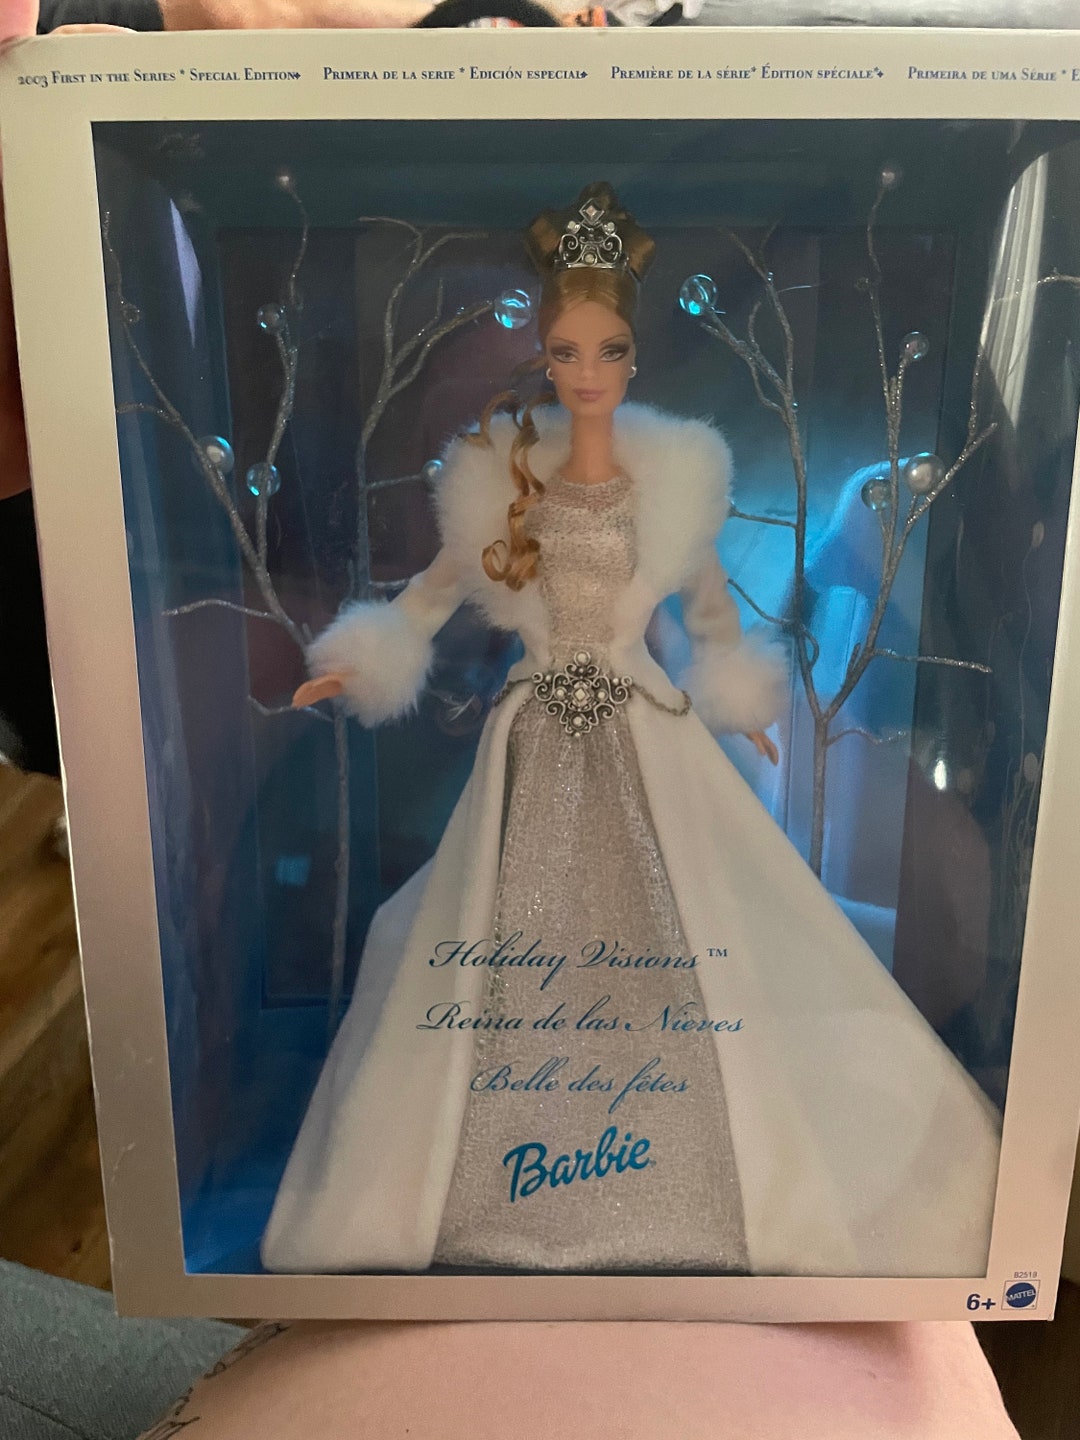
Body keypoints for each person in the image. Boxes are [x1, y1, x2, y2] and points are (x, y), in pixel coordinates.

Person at [262, 183, 1001, 1279]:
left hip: (648, 734)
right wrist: (359, 663)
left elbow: (711, 619)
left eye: (606, 350)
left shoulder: (676, 479)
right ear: (548, 359)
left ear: (632, 358)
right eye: (567, 351)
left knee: (692, 931)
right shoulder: (499, 479)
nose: (587, 371)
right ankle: (482, 1184)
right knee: (505, 941)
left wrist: (744, 707)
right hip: (532, 743)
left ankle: (699, 1182)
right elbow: (428, 596)